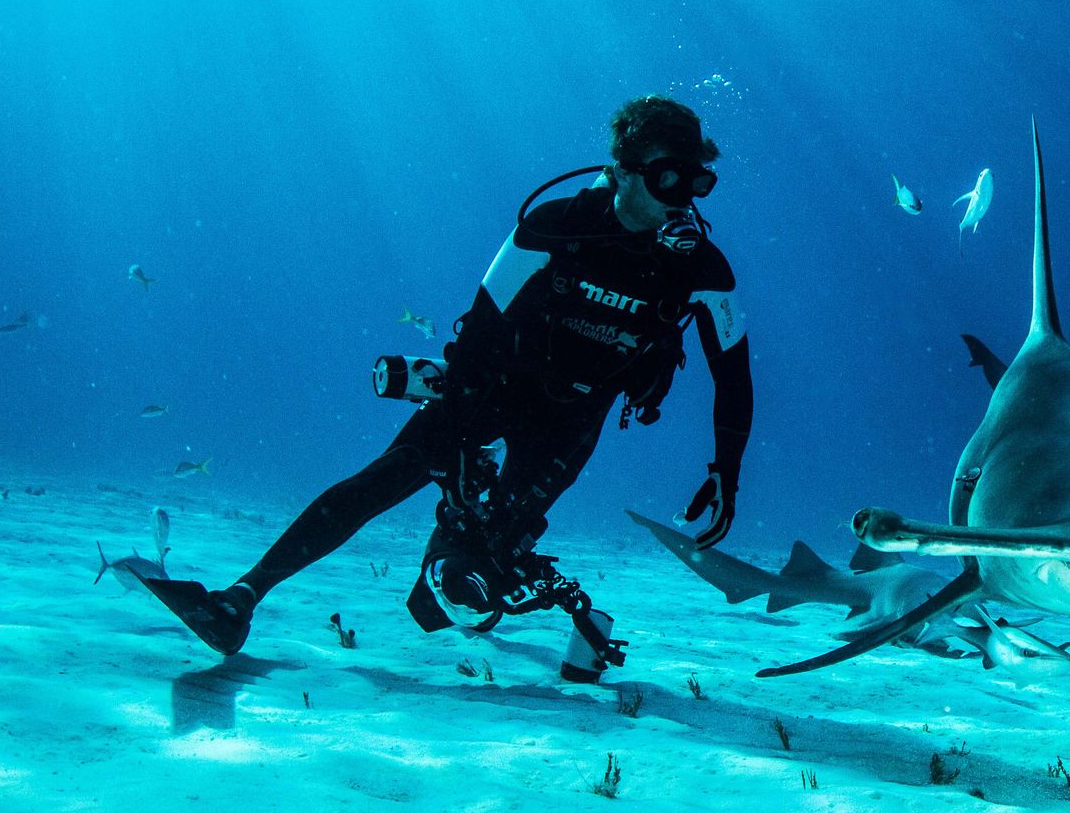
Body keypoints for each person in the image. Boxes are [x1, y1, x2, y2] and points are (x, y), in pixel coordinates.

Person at [143, 97, 753, 679]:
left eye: (698, 184)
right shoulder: (554, 227)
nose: (682, 201)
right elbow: (479, 333)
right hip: (492, 387)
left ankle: (466, 562)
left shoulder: (702, 268)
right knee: (385, 476)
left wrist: (726, 468)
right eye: (669, 179)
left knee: (443, 600)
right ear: (620, 171)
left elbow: (734, 374)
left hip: (572, 418)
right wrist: (459, 447)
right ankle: (238, 601)